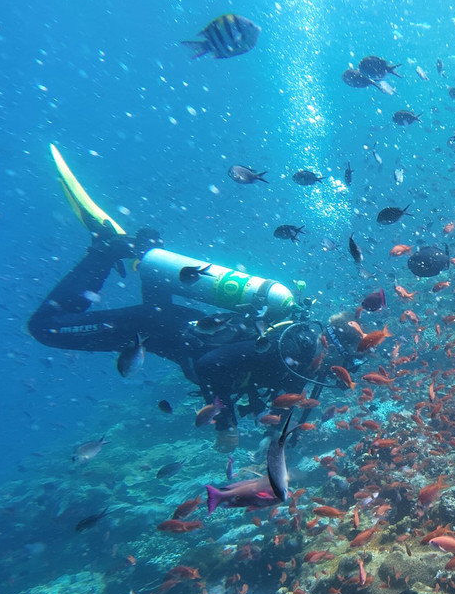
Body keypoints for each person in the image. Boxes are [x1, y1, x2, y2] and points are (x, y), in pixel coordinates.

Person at [29, 145, 362, 450]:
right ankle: (105, 248)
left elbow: (282, 404)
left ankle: (147, 250)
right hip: (155, 326)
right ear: (333, 346)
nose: (341, 373)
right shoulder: (291, 348)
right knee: (45, 328)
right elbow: (209, 364)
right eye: (346, 364)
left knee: (153, 292)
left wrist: (275, 440)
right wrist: (226, 424)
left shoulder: (302, 362)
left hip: (175, 326)